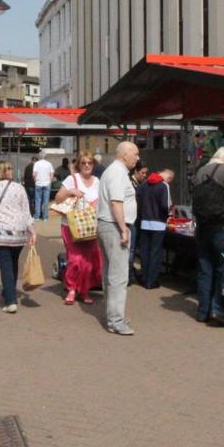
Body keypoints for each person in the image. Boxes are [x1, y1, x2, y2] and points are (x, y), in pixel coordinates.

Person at [192, 147, 224, 327]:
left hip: (202, 226)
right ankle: (216, 310)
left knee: (205, 268)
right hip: (220, 226)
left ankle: (202, 311)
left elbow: (195, 201)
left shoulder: (201, 170)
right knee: (221, 268)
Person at [97, 142, 141, 335]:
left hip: (110, 225)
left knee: (110, 274)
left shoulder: (114, 171)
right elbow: (116, 203)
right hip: (114, 226)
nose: (137, 158)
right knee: (119, 275)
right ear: (125, 155)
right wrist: (123, 229)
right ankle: (116, 320)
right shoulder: (117, 172)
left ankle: (114, 315)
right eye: (136, 155)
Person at [0, 160, 37, 314]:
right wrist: (32, 231)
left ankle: (10, 300)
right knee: (13, 263)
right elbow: (26, 212)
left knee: (5, 265)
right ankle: (9, 290)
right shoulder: (19, 188)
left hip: (0, 232)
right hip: (19, 233)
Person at [53, 151, 103, 305]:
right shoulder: (71, 179)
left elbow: (103, 201)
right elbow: (58, 198)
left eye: (89, 163)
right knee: (75, 260)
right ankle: (72, 288)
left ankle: (84, 290)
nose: (87, 165)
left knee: (88, 262)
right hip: (71, 226)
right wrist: (70, 192)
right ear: (78, 165)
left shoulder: (98, 181)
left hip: (90, 227)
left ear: (93, 165)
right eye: (83, 163)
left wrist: (96, 204)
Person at [138, 169, 174, 290]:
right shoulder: (164, 185)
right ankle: (151, 280)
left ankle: (144, 278)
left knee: (145, 251)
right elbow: (166, 205)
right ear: (168, 177)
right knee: (155, 252)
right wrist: (169, 214)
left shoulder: (145, 183)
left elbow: (138, 198)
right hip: (158, 223)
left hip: (144, 221)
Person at [128, 161, 148, 284]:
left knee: (133, 249)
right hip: (132, 220)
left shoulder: (140, 184)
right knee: (131, 249)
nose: (145, 175)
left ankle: (130, 273)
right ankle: (129, 275)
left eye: (146, 173)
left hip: (137, 219)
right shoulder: (131, 184)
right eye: (142, 173)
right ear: (135, 171)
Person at [32, 156, 55, 221]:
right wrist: (50, 181)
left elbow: (34, 174)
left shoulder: (36, 164)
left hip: (38, 183)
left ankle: (37, 216)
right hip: (47, 183)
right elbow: (52, 174)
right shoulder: (49, 164)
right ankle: (45, 217)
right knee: (46, 201)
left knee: (38, 200)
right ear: (45, 157)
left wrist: (35, 181)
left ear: (39, 157)